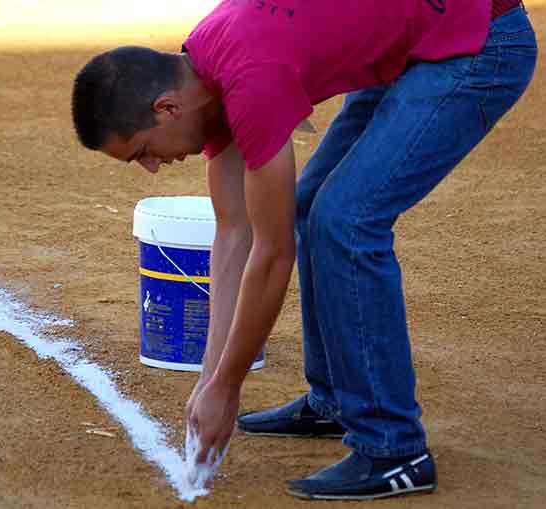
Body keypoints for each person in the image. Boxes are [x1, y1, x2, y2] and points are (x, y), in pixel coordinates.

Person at [71, 0, 536, 500]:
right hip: (421, 41)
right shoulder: (205, 71)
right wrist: (209, 379)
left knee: (346, 222)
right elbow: (235, 232)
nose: (153, 167)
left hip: (477, 42)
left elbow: (271, 256)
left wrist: (228, 388)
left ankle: (394, 448)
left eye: (142, 151)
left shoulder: (250, 78)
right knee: (308, 207)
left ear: (167, 108)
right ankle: (335, 399)